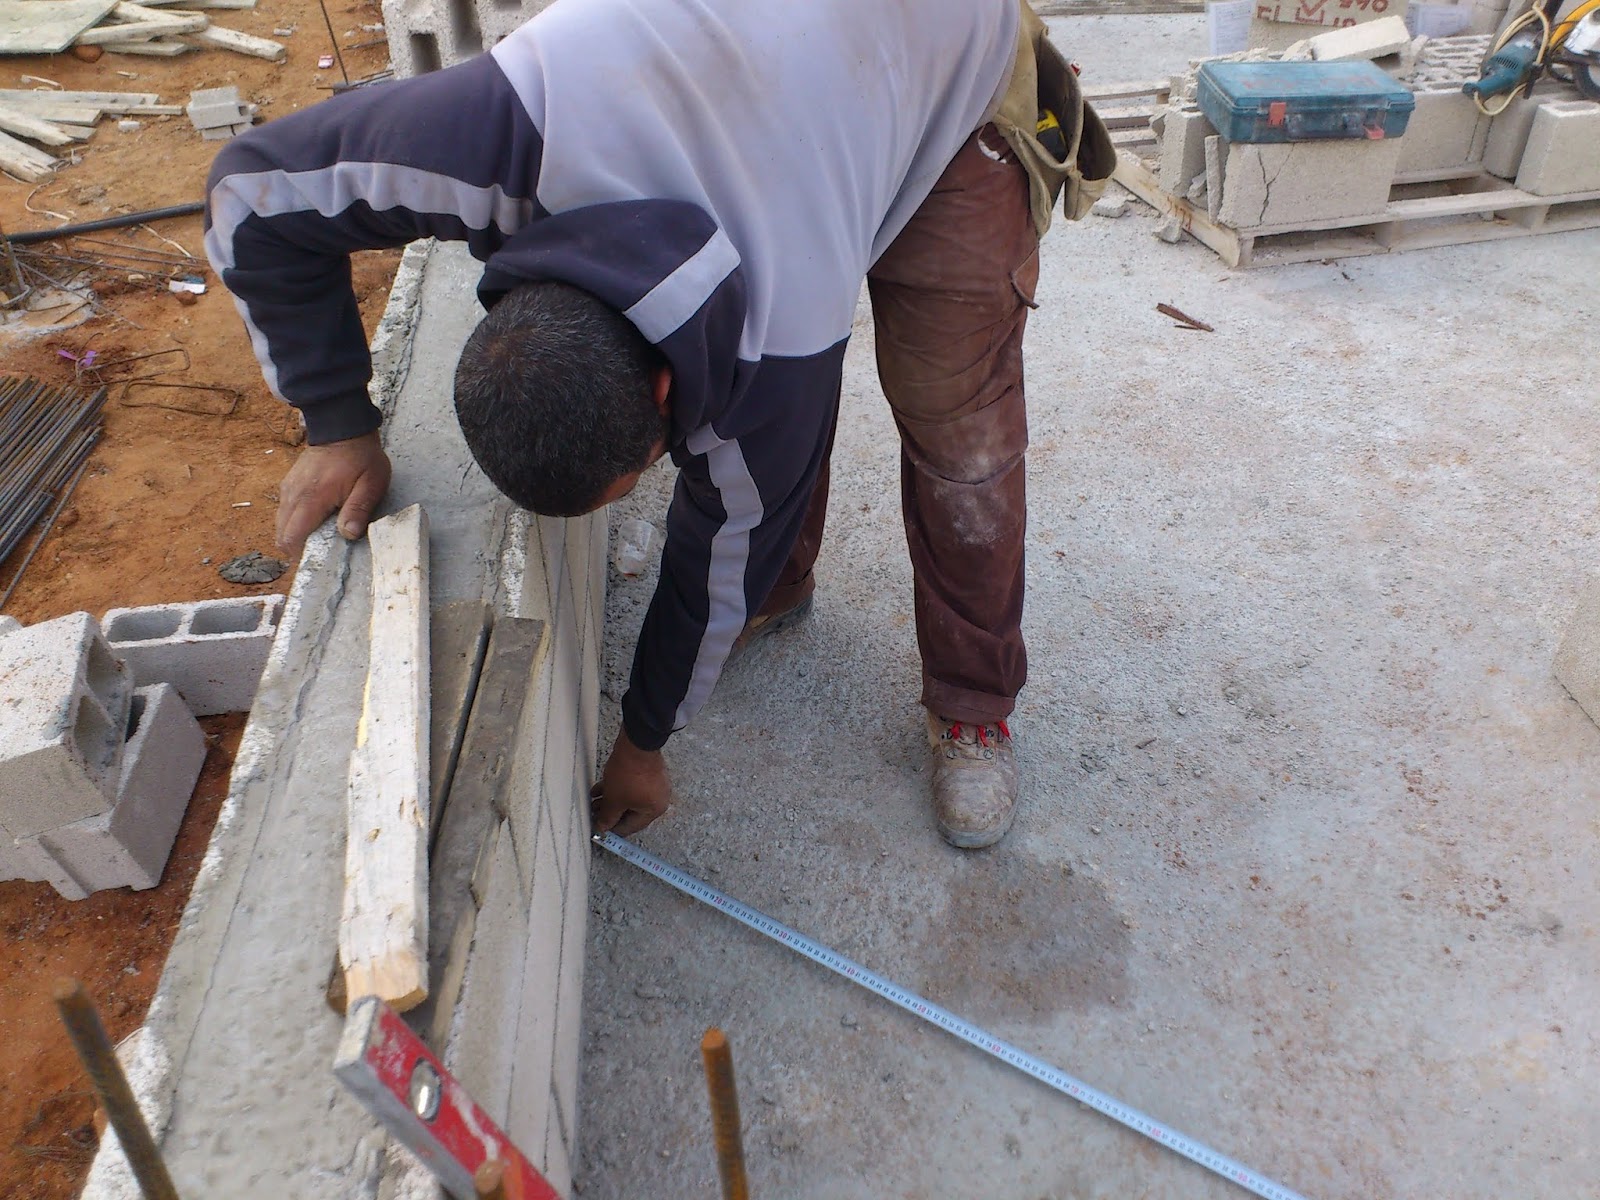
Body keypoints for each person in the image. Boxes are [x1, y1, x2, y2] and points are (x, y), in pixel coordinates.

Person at [205, 0, 1113, 849]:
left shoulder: (782, 335)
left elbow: (727, 535)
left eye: (642, 472)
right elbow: (253, 191)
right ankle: (783, 589)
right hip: (793, 88)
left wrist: (644, 743)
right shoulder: (498, 137)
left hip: (946, 56)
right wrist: (338, 423)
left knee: (960, 434)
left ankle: (973, 700)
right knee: (769, 458)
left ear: (666, 386)